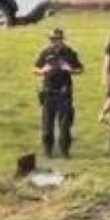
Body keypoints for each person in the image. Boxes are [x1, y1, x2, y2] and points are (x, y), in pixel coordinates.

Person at [33, 27, 84, 158]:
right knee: (47, 123)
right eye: (51, 39)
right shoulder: (46, 52)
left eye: (56, 39)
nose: (53, 42)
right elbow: (35, 69)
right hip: (49, 92)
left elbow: (80, 69)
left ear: (61, 39)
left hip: (64, 92)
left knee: (65, 124)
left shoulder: (69, 53)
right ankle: (48, 150)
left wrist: (70, 69)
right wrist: (43, 70)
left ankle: (64, 150)